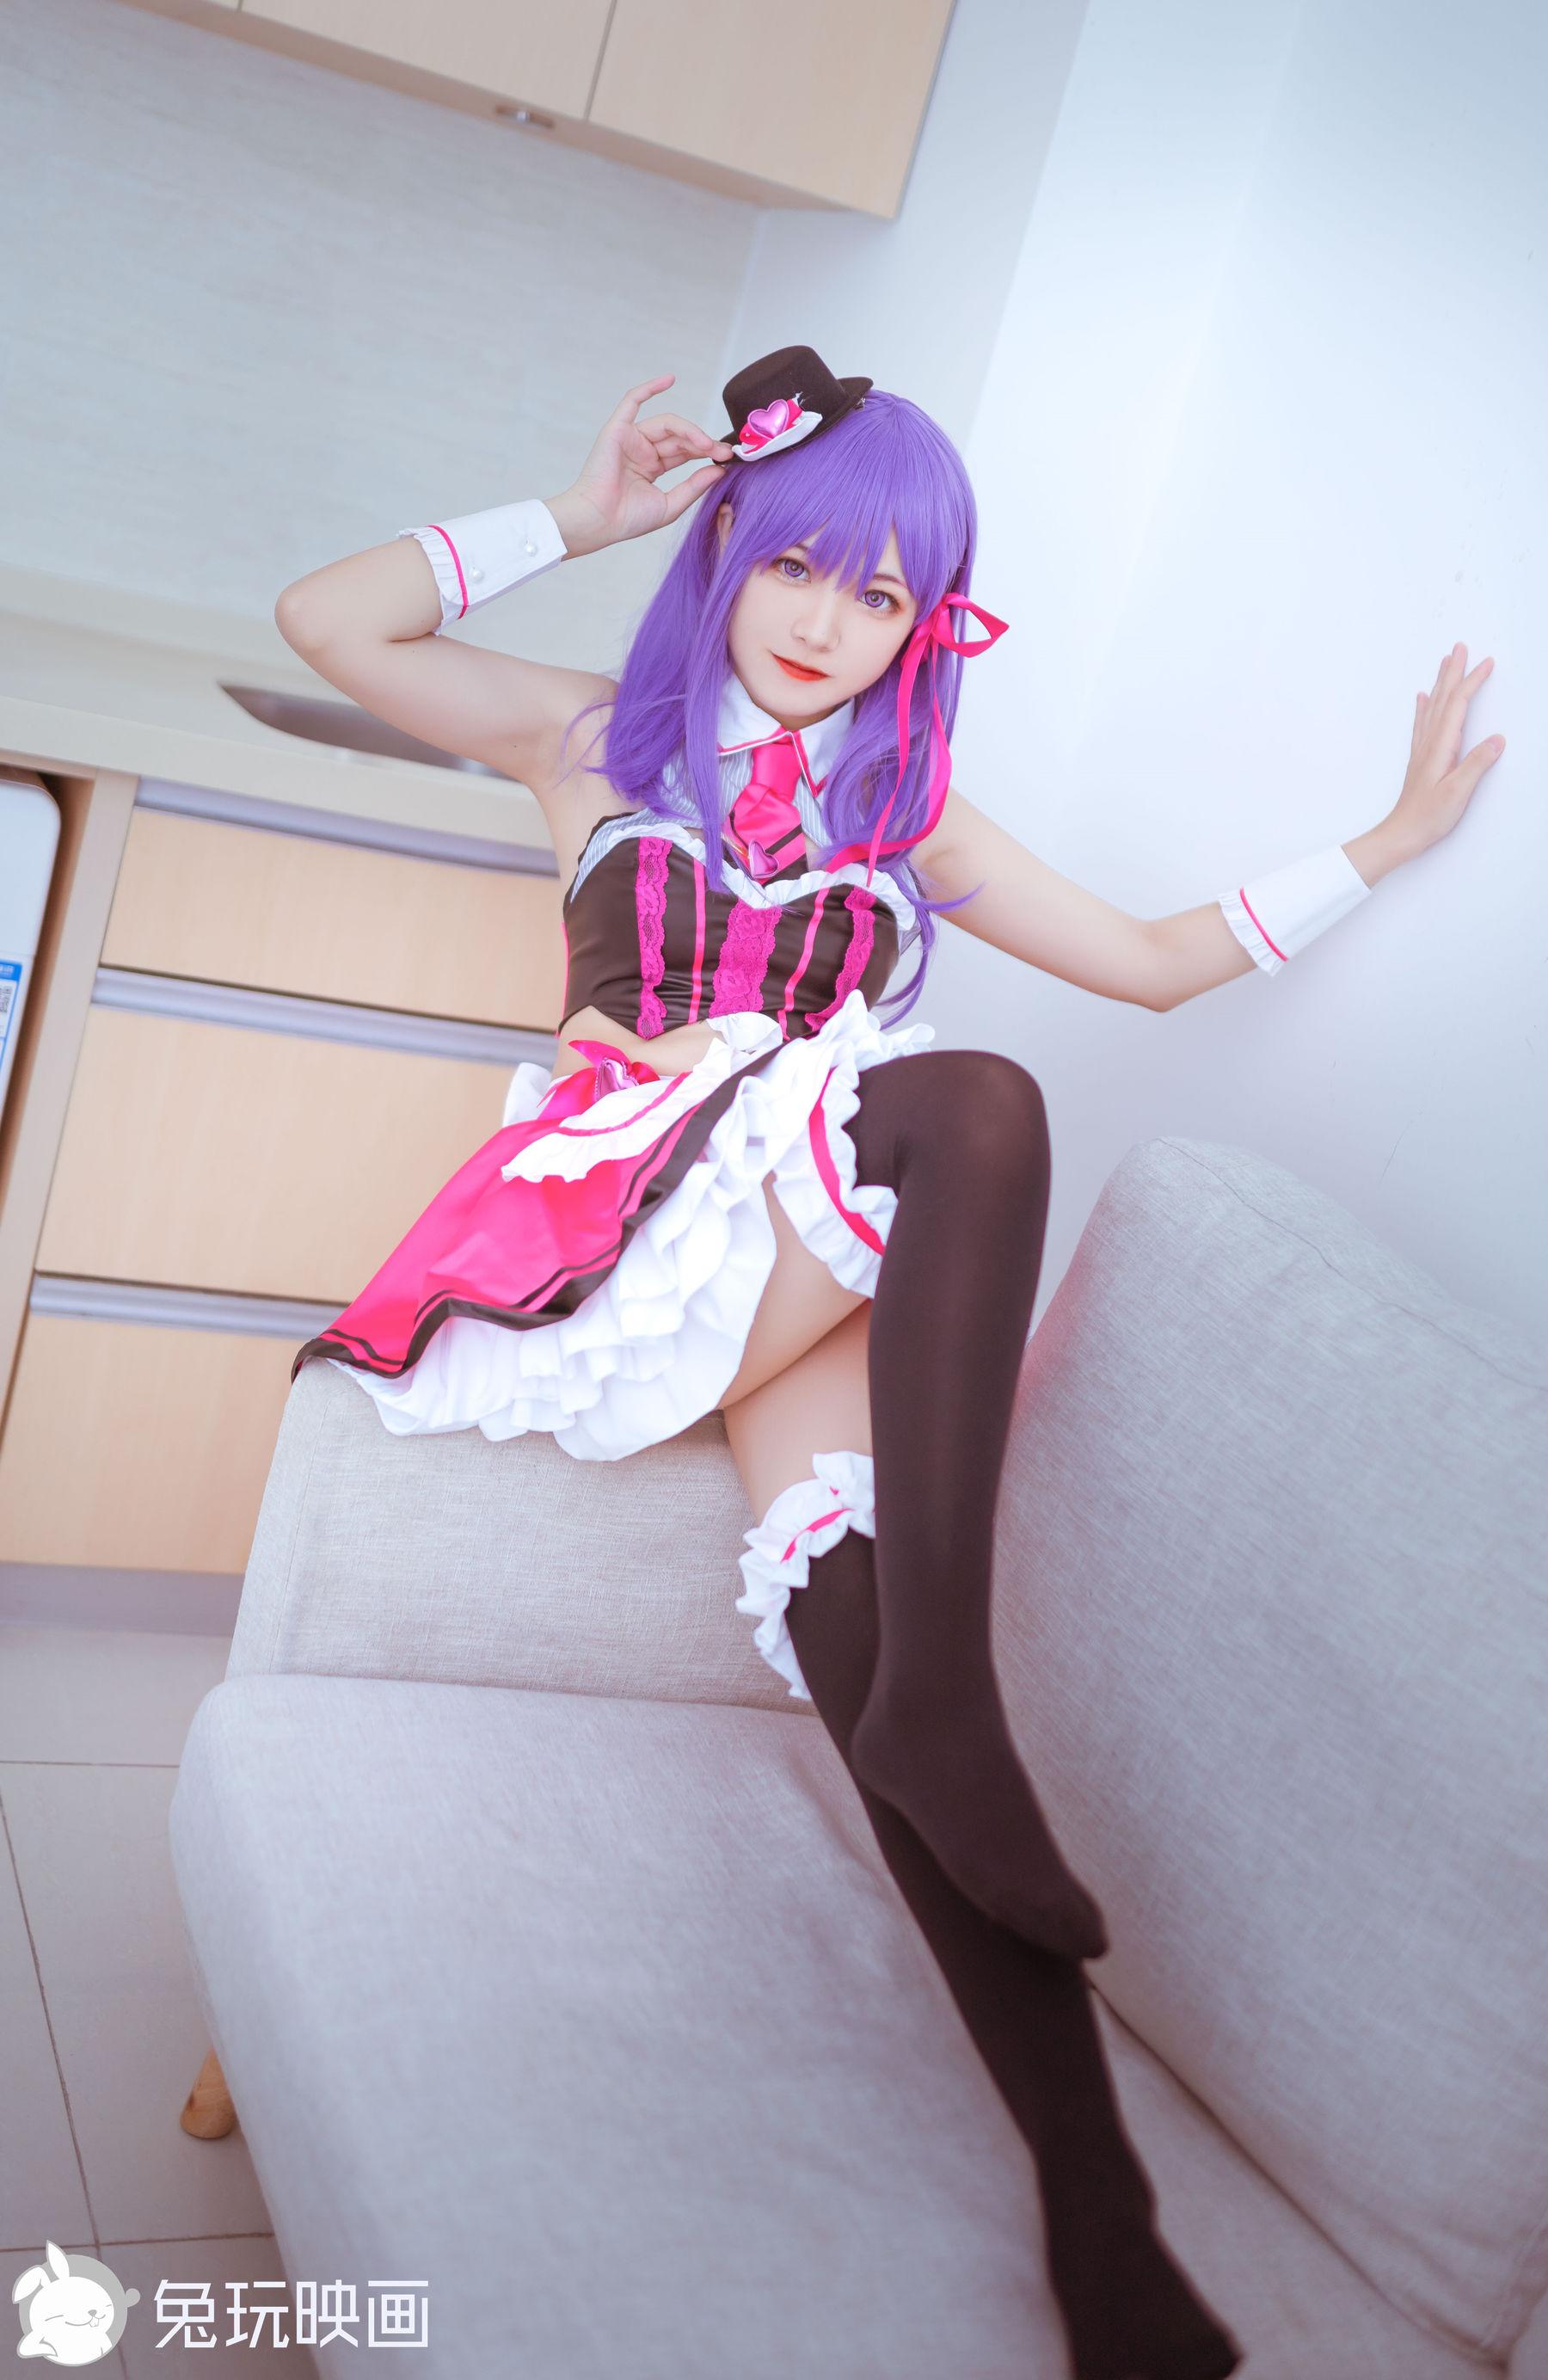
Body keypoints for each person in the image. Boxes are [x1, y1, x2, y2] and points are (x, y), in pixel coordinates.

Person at [273, 344, 1502, 2380]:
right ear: (729, 545)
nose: (826, 624)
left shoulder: (910, 816)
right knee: (979, 1103)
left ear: (923, 626)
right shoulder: (591, 743)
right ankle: (956, 1685)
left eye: (880, 595)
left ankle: (1100, 2221)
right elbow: (329, 620)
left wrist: (1379, 845)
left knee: (848, 1621)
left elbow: (1155, 961)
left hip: (795, 1284)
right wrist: (583, 515)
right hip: (634, 1232)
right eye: (796, 566)